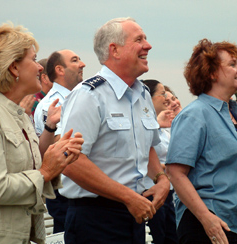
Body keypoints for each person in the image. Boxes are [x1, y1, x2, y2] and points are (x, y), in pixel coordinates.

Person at [0, 23, 84, 244]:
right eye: (34, 59)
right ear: (14, 68)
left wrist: (58, 160)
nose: (41, 67)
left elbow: (30, 170)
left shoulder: (17, 113)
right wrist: (47, 171)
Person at [59, 17, 170, 244]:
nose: (147, 46)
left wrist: (161, 180)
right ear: (115, 50)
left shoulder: (143, 94)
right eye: (139, 39)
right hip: (95, 219)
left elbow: (146, 146)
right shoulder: (89, 95)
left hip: (134, 215)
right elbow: (71, 161)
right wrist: (129, 197)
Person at [166, 38, 237, 244]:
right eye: (232, 64)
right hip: (210, 227)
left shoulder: (233, 115)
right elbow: (175, 173)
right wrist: (206, 218)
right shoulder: (195, 115)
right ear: (211, 73)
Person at [34, 49, 85, 234]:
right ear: (60, 70)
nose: (82, 64)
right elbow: (65, 148)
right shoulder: (52, 105)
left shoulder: (78, 98)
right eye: (75, 60)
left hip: (80, 188)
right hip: (66, 192)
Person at [142, 79, 179, 244]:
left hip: (168, 192)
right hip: (149, 192)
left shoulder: (165, 125)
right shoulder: (146, 122)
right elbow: (140, 153)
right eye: (162, 94)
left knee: (172, 238)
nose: (166, 98)